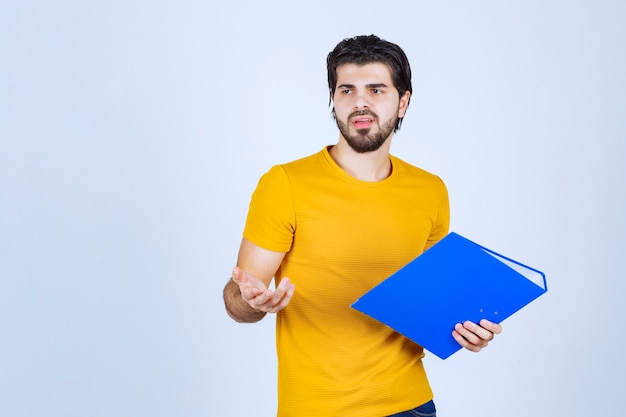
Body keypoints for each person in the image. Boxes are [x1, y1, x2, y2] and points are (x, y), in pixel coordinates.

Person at [223, 34, 502, 417]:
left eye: (376, 89)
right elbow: (238, 301)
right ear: (333, 100)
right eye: (346, 90)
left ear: (402, 102)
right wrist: (251, 301)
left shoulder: (431, 190)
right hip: (316, 408)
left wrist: (467, 331)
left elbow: (430, 304)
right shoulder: (284, 184)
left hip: (411, 406)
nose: (360, 102)